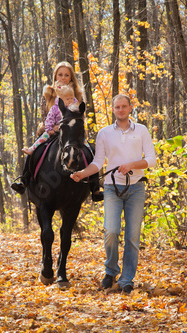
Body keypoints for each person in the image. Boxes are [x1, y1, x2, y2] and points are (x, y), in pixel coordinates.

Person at [70, 94, 156, 294]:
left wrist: (131, 165)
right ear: (113, 109)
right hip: (111, 188)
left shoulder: (141, 130)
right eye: (117, 107)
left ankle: (127, 279)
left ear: (130, 108)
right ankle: (110, 271)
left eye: (124, 106)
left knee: (133, 236)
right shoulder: (104, 133)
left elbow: (151, 160)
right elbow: (98, 162)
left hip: (136, 187)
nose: (121, 110)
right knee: (111, 231)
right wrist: (82, 173)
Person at [11, 61, 103, 202]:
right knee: (34, 149)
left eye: (66, 75)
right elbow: (44, 115)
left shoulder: (77, 94)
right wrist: (52, 128)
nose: (63, 77)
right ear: (55, 76)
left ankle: (95, 188)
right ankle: (23, 181)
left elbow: (79, 117)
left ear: (71, 77)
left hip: (71, 132)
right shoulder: (48, 93)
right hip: (51, 130)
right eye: (60, 74)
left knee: (91, 151)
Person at [22, 84, 78, 155]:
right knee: (45, 136)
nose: (70, 101)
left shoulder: (74, 109)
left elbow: (76, 120)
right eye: (67, 99)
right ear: (61, 99)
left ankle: (90, 151)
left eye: (72, 98)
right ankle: (33, 148)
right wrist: (50, 128)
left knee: (81, 139)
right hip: (55, 130)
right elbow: (49, 119)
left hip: (69, 131)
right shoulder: (55, 109)